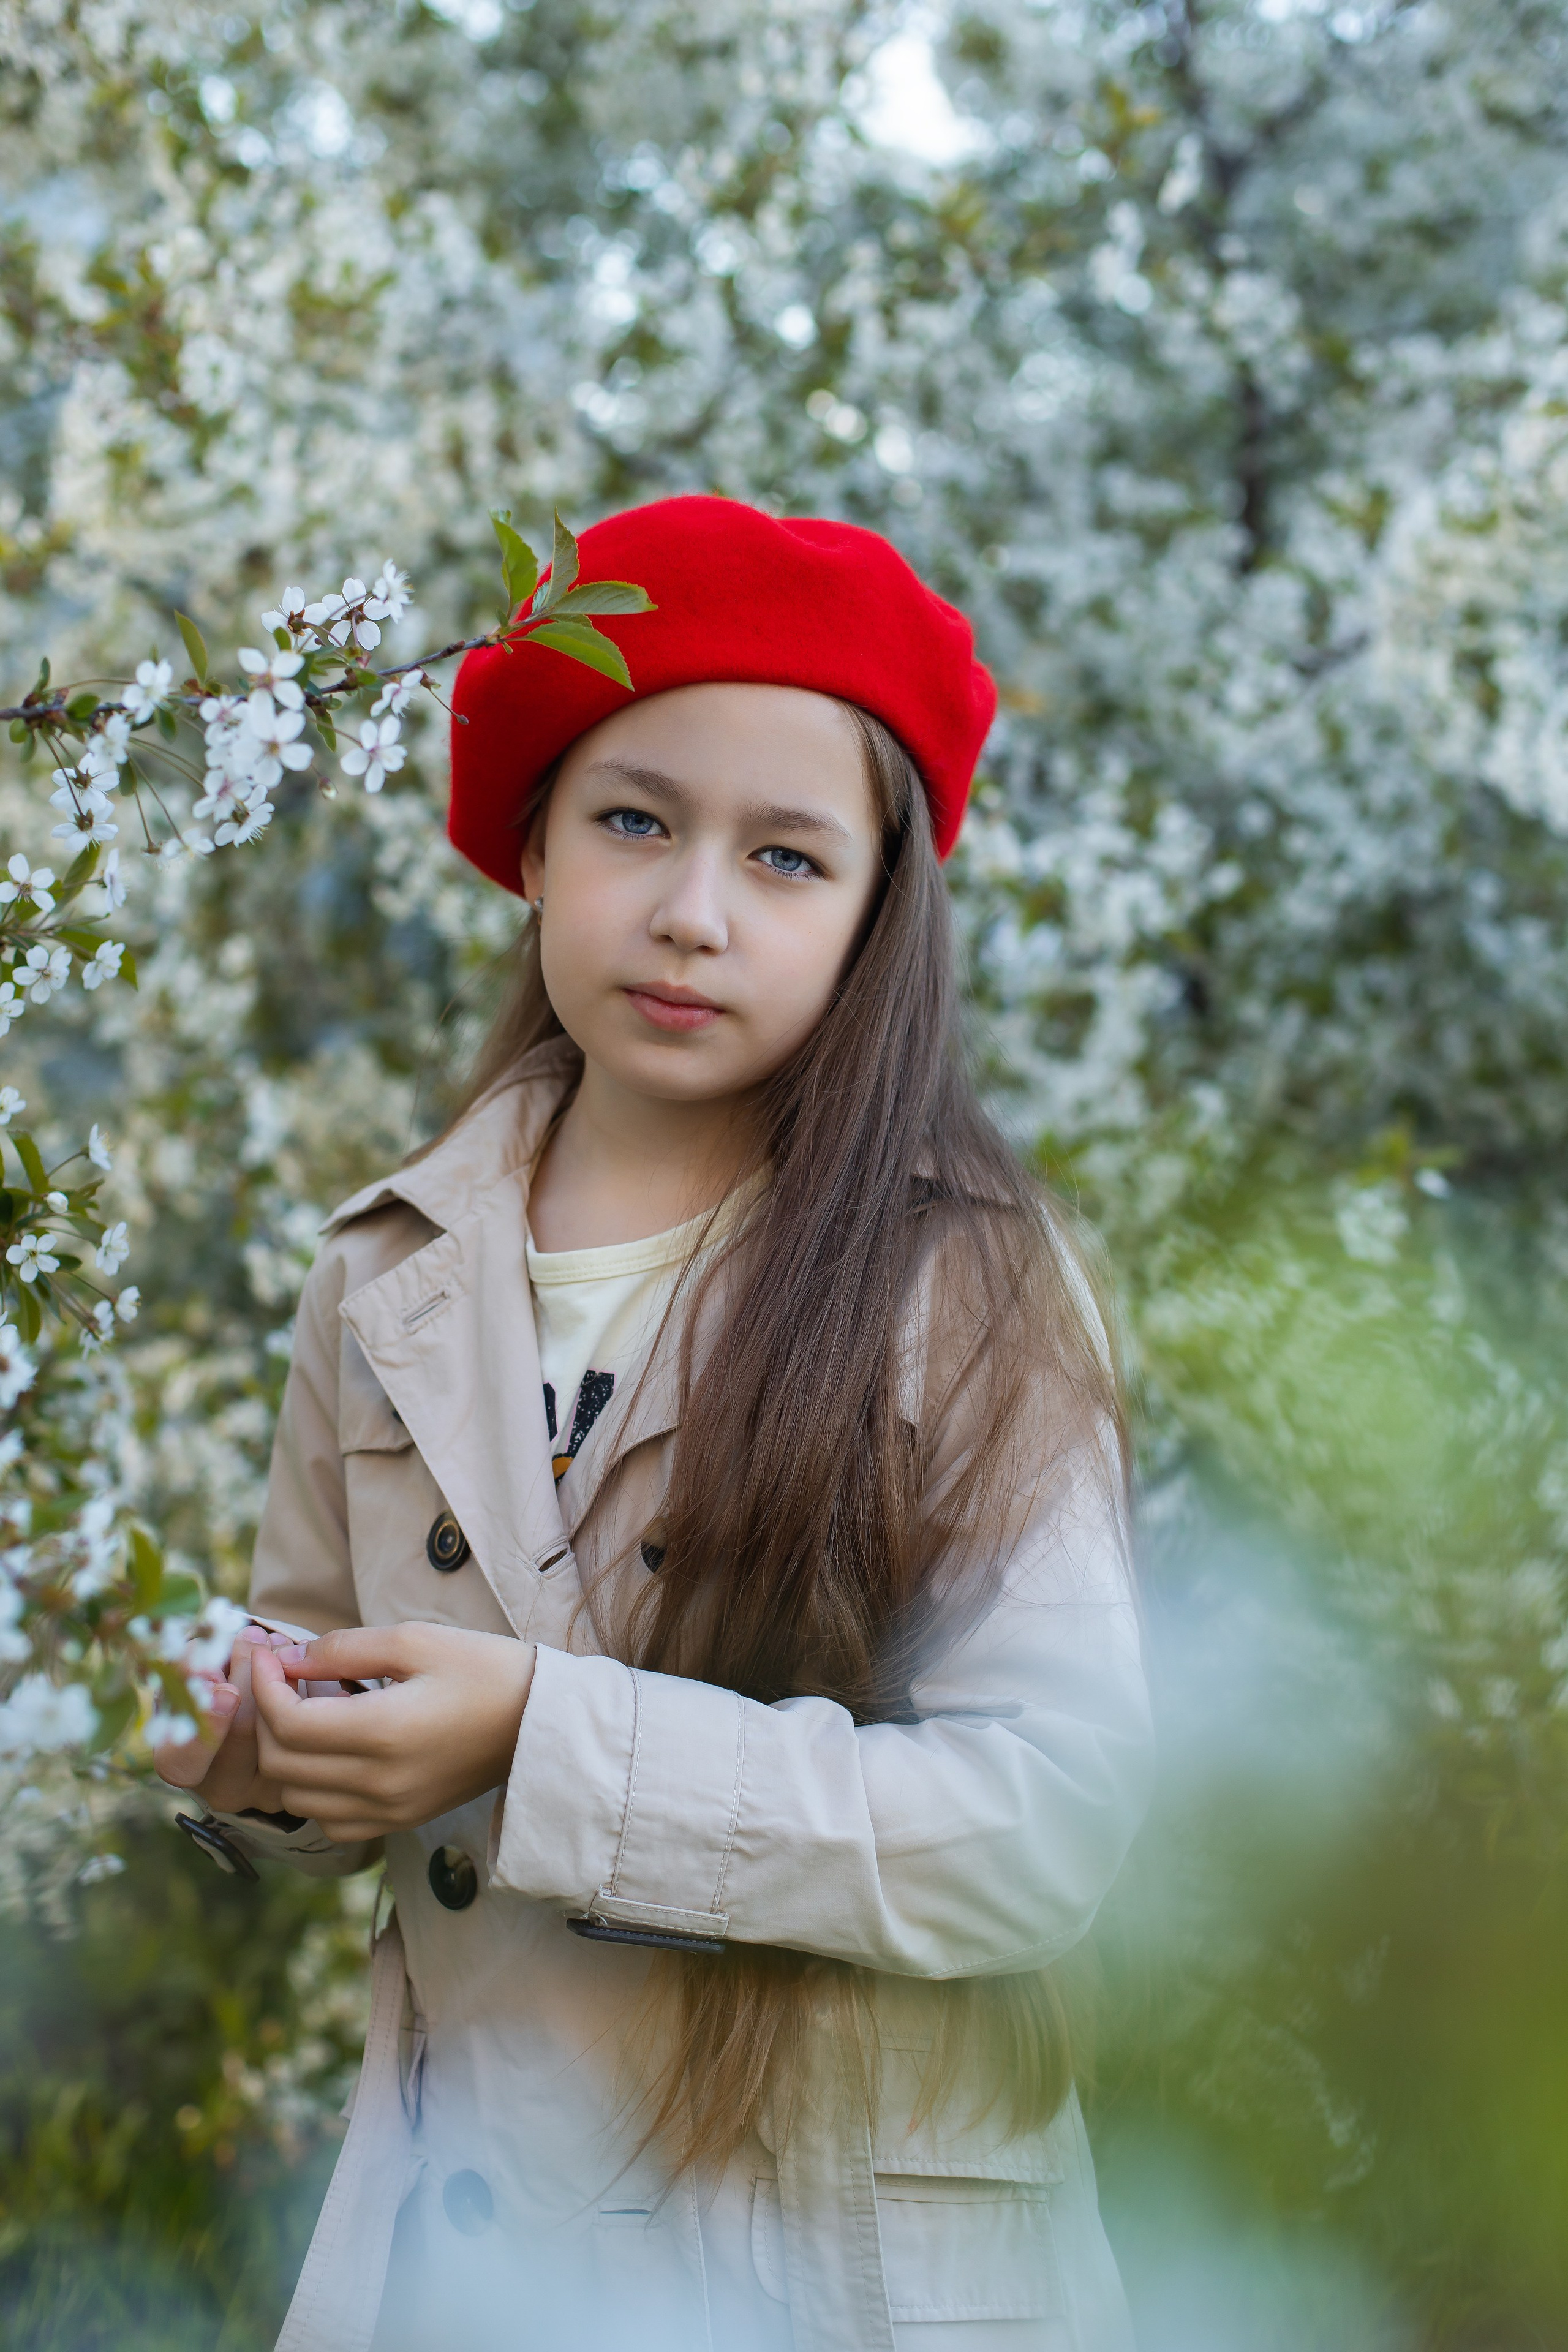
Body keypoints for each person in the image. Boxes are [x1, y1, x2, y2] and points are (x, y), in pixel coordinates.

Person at [156, 496, 1154, 2352]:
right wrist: (230, 1741)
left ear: (875, 915)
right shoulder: (387, 1273)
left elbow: (1054, 1825)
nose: (694, 911)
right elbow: (322, 1743)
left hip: (834, 2267)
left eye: (787, 858)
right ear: (531, 846)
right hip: (466, 2259)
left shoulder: (968, 1285)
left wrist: (548, 1741)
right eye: (636, 820)